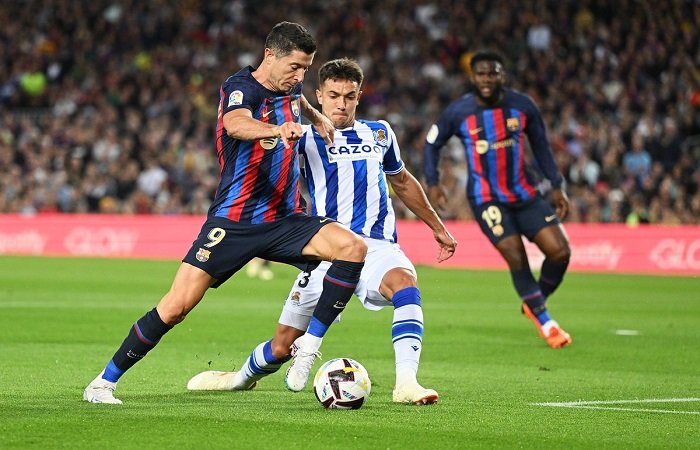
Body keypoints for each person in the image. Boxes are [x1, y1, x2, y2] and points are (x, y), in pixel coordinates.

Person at [83, 22, 369, 405]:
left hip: (284, 219)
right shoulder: (241, 87)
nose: (301, 76)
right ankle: (103, 382)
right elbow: (235, 124)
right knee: (176, 307)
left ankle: (308, 348)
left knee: (353, 248)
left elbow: (296, 100)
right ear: (270, 55)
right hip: (234, 221)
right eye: (295, 67)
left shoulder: (291, 86)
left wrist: (316, 116)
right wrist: (277, 130)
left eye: (306, 68)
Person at [186, 58, 457, 403]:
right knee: (281, 346)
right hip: (325, 249)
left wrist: (437, 227)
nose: (341, 104)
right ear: (318, 96)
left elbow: (401, 181)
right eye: (333, 96)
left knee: (405, 284)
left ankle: (406, 383)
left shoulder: (380, 133)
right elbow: (266, 168)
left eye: (349, 96)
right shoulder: (303, 136)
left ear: (359, 97)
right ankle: (238, 379)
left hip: (377, 246)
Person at [423, 51, 572, 348]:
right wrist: (433, 182)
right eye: (481, 74)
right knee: (515, 253)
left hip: (525, 194)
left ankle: (535, 301)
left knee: (560, 253)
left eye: (493, 73)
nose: (487, 79)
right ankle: (546, 322)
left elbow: (541, 146)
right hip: (486, 198)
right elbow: (432, 143)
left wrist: (556, 184)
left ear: (502, 75)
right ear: (472, 77)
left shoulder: (523, 105)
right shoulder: (459, 111)